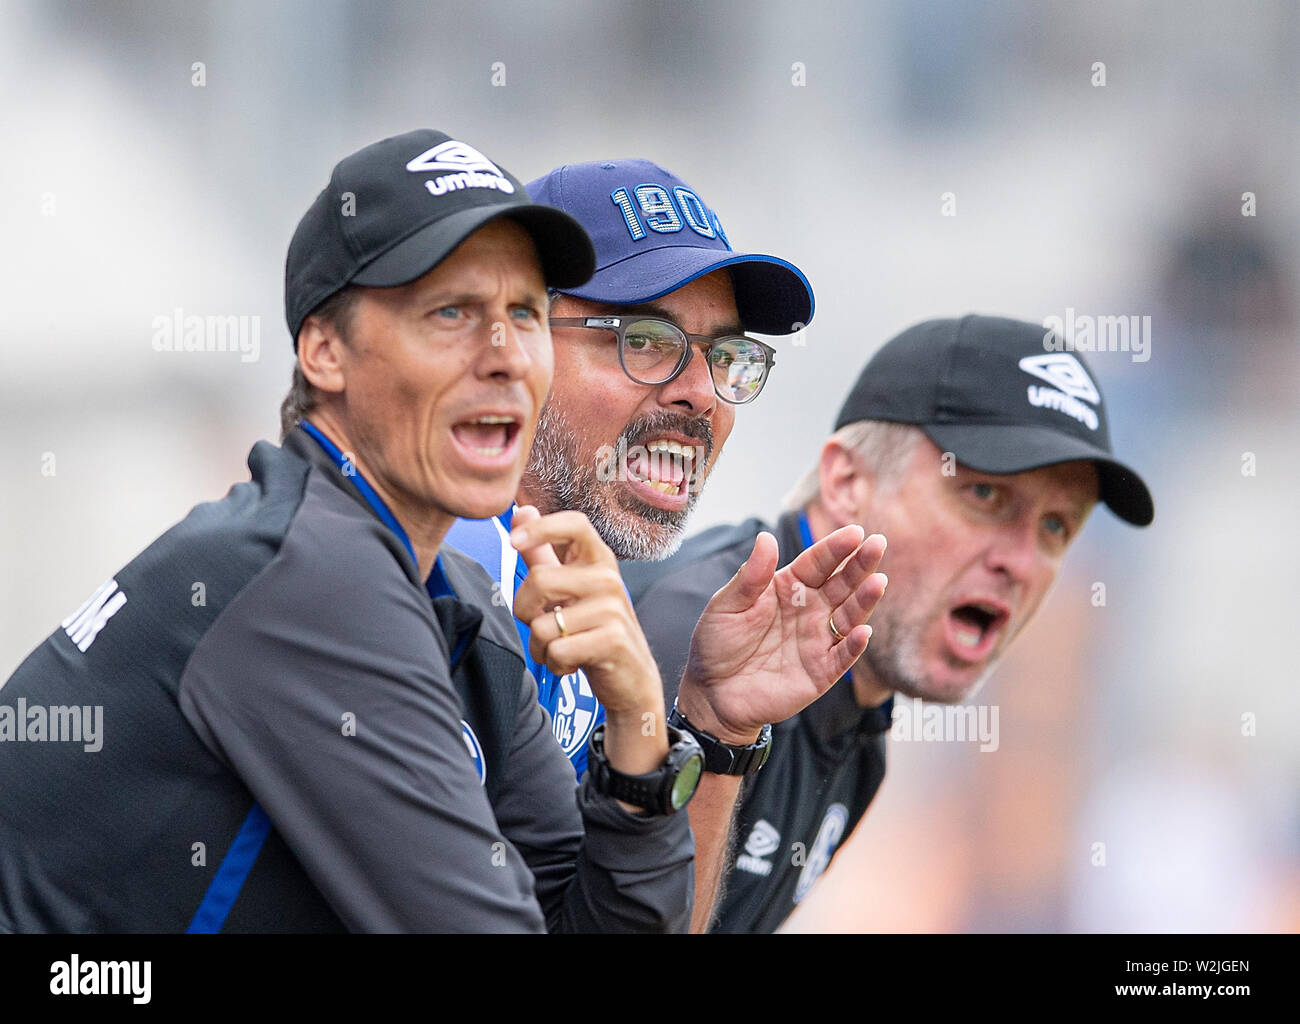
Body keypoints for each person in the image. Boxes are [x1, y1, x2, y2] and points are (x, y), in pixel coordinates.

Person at [0, 129, 698, 933]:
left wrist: (640, 726)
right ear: (324, 351)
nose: (506, 355)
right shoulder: (309, 580)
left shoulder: (457, 600)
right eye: (452, 313)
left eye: (526, 312)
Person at [444, 158, 889, 931]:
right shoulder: (440, 573)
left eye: (725, 357)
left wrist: (715, 731)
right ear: (518, 340)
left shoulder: (576, 606)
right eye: (645, 340)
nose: (701, 391)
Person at [621, 314, 1156, 932]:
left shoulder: (861, 719)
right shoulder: (688, 635)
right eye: (984, 496)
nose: (1019, 560)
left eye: (1057, 526)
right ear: (848, 481)